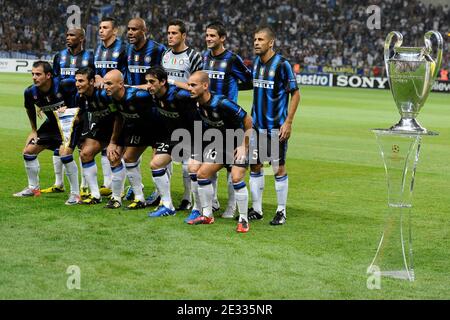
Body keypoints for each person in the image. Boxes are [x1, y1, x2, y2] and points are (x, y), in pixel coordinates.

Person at [186, 71, 253, 233]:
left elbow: (248, 120)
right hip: (221, 144)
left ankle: (243, 219)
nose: (189, 88)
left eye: (193, 85)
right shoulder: (197, 103)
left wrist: (244, 146)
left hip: (239, 142)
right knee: (201, 174)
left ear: (205, 86)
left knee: (236, 178)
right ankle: (207, 215)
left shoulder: (222, 103)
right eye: (188, 85)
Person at [249, 26, 300, 225]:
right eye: (255, 39)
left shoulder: (282, 64)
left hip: (275, 127)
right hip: (256, 126)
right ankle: (257, 209)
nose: (256, 43)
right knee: (255, 165)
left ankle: (281, 211)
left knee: (278, 168)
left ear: (271, 42)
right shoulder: (255, 63)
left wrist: (288, 122)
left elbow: (295, 93)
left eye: (260, 39)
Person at [202, 21, 253, 219]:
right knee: (209, 160)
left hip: (229, 119)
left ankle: (232, 206)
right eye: (207, 35)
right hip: (208, 119)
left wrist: (232, 88)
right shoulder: (205, 57)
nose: (208, 38)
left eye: (212, 35)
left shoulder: (232, 59)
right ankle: (213, 201)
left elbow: (249, 80)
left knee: (232, 165)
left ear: (222, 38)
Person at [14, 61, 81, 205]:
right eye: (32, 74)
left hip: (71, 124)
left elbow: (83, 92)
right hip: (52, 124)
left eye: (38, 74)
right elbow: (29, 108)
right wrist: (33, 130)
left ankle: (75, 194)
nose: (34, 77)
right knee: (29, 151)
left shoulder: (65, 84)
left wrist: (71, 110)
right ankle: (33, 188)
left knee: (65, 153)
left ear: (48, 75)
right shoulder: (30, 92)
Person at [46, 28, 95, 199]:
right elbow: (55, 81)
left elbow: (94, 81)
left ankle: (84, 186)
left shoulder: (90, 56)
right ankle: (58, 183)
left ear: (82, 38)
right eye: (66, 35)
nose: (68, 38)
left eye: (72, 35)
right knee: (62, 143)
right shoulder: (59, 56)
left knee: (83, 145)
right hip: (64, 108)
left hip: (83, 108)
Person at [161, 19, 203, 211]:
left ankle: (188, 199)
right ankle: (164, 197)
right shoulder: (165, 55)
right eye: (169, 33)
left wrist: (174, 83)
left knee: (187, 163)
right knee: (165, 156)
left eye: (174, 33)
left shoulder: (193, 56)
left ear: (184, 35)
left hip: (188, 113)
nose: (170, 36)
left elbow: (197, 87)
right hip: (167, 113)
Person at [144, 66, 197, 217]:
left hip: (193, 136)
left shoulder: (180, 96)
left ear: (163, 82)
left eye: (152, 82)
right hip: (173, 137)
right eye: (147, 82)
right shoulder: (153, 94)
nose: (149, 85)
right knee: (155, 164)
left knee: (190, 169)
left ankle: (197, 207)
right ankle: (168, 206)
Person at [103, 69, 158, 210]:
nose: (105, 87)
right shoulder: (109, 97)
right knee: (115, 157)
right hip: (132, 127)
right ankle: (117, 198)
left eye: (109, 84)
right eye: (104, 83)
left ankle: (151, 198)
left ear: (121, 84)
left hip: (153, 129)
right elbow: (118, 117)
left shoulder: (139, 96)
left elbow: (158, 101)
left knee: (147, 162)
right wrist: (113, 142)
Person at [125, 17, 166, 204]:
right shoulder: (127, 50)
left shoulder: (157, 50)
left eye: (134, 29)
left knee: (157, 153)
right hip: (134, 111)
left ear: (144, 31)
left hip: (155, 110)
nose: (130, 32)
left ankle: (160, 193)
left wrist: (134, 88)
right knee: (131, 153)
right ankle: (136, 188)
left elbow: (161, 79)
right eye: (128, 29)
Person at [93, 17, 128, 197]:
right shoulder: (98, 49)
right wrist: (98, 78)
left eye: (105, 28)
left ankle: (121, 187)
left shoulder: (123, 49)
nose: (101, 30)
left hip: (119, 102)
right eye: (100, 27)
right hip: (103, 102)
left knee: (121, 145)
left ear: (115, 31)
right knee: (107, 141)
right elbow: (96, 73)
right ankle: (108, 182)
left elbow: (125, 74)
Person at [75, 67, 116, 204]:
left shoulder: (104, 94)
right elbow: (80, 114)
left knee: (120, 157)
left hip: (119, 126)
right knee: (85, 154)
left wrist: (113, 140)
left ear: (92, 81)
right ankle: (95, 195)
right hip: (102, 126)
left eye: (81, 81)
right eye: (77, 80)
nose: (77, 84)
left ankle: (120, 194)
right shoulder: (80, 96)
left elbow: (118, 115)